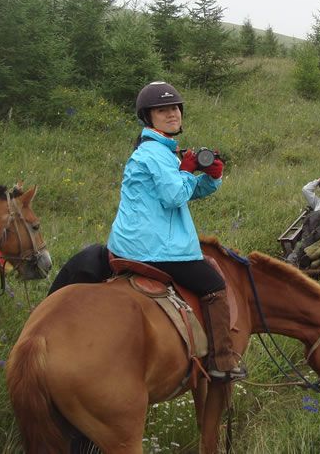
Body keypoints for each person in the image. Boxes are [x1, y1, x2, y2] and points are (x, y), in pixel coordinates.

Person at [105, 81, 245, 381]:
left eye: (175, 108)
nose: (171, 114)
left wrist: (211, 177)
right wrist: (186, 169)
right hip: (155, 247)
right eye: (162, 110)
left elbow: (183, 191)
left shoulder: (158, 151)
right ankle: (222, 361)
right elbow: (173, 196)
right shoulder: (155, 153)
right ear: (148, 116)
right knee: (214, 284)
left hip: (134, 242)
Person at [286, 173, 320, 265]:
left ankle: (301, 256)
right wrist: (319, 180)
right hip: (312, 229)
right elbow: (305, 189)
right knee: (310, 226)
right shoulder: (317, 202)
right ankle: (298, 256)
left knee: (319, 220)